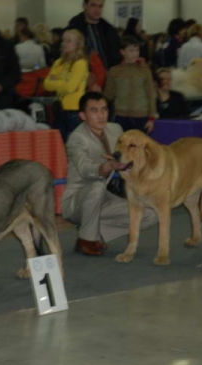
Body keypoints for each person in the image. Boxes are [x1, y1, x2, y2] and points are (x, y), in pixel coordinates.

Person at [62, 92, 157, 256]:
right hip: (76, 201)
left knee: (150, 214)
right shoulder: (76, 139)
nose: (101, 115)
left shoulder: (116, 129)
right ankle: (87, 240)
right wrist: (109, 165)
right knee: (97, 186)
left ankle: (91, 234)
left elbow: (129, 157)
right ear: (83, 115)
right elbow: (85, 169)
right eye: (94, 111)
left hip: (103, 197)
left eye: (104, 109)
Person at [103, 35, 156, 133]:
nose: (135, 54)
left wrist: (151, 118)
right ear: (122, 52)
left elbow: (151, 95)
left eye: (137, 50)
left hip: (141, 116)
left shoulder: (145, 71)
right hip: (120, 116)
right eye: (131, 51)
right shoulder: (114, 71)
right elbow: (109, 95)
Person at [44, 29, 89, 141]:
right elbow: (46, 84)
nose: (64, 43)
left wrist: (57, 79)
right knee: (58, 143)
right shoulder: (58, 62)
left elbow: (70, 88)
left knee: (75, 144)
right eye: (63, 40)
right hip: (59, 109)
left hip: (75, 110)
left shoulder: (81, 64)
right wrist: (64, 81)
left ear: (77, 45)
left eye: (69, 41)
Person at [67, 0, 121, 71]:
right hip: (82, 75)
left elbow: (116, 53)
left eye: (100, 6)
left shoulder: (109, 30)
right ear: (85, 6)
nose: (97, 10)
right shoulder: (73, 29)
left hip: (108, 75)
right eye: (93, 5)